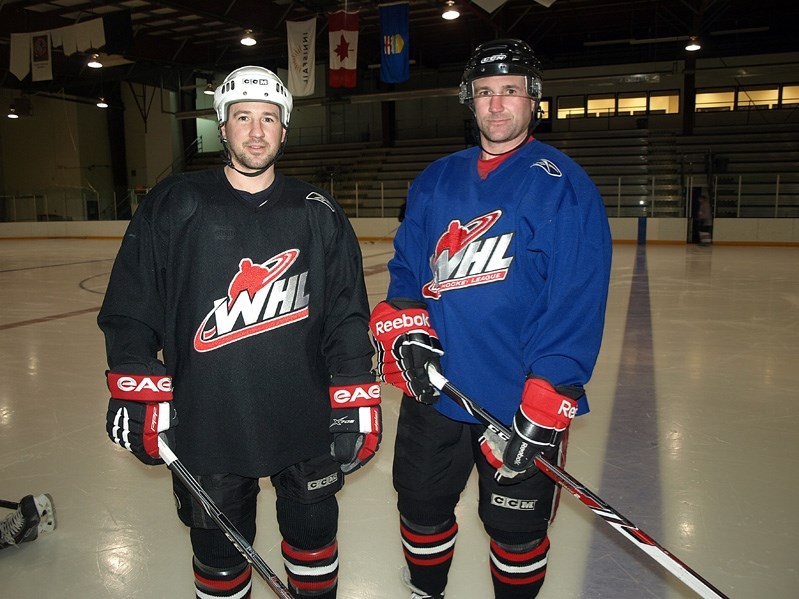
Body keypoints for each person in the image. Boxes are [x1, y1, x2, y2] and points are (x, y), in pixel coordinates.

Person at [98, 66, 379, 599]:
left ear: (284, 129)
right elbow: (131, 308)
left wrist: (355, 394)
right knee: (220, 561)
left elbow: (346, 315)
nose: (255, 131)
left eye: (268, 119)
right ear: (222, 129)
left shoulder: (317, 210)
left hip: (306, 418)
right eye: (242, 117)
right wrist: (134, 384)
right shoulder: (175, 203)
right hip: (209, 422)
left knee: (314, 540)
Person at [369, 39, 612, 599]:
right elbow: (407, 271)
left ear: (534, 101)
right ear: (469, 101)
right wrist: (403, 324)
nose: (497, 105)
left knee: (515, 531)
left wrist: (550, 390)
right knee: (422, 509)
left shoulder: (564, 186)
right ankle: (424, 590)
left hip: (518, 403)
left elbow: (576, 299)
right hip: (437, 392)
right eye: (485, 93)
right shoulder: (434, 180)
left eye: (510, 92)